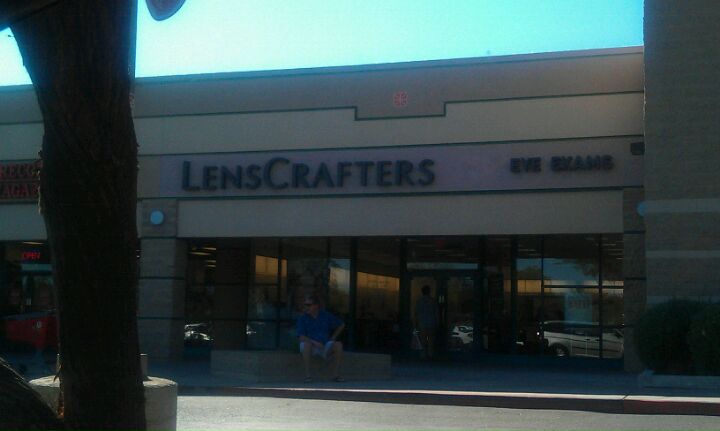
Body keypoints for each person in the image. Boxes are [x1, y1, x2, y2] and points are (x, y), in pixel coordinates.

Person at [296, 295, 345, 382]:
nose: (306, 307)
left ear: (316, 306)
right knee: (306, 345)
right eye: (305, 305)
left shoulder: (325, 316)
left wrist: (333, 338)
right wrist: (315, 343)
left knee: (338, 345)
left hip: (324, 344)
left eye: (308, 305)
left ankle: (335, 375)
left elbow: (341, 324)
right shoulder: (302, 318)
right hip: (311, 346)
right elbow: (301, 336)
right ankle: (308, 376)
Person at [414, 285, 439, 359]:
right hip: (431, 322)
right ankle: (430, 354)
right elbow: (436, 313)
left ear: (422, 292)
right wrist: (437, 322)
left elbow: (416, 313)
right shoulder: (433, 301)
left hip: (422, 323)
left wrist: (415, 323)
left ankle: (423, 354)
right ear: (429, 292)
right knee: (431, 340)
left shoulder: (419, 301)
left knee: (422, 340)